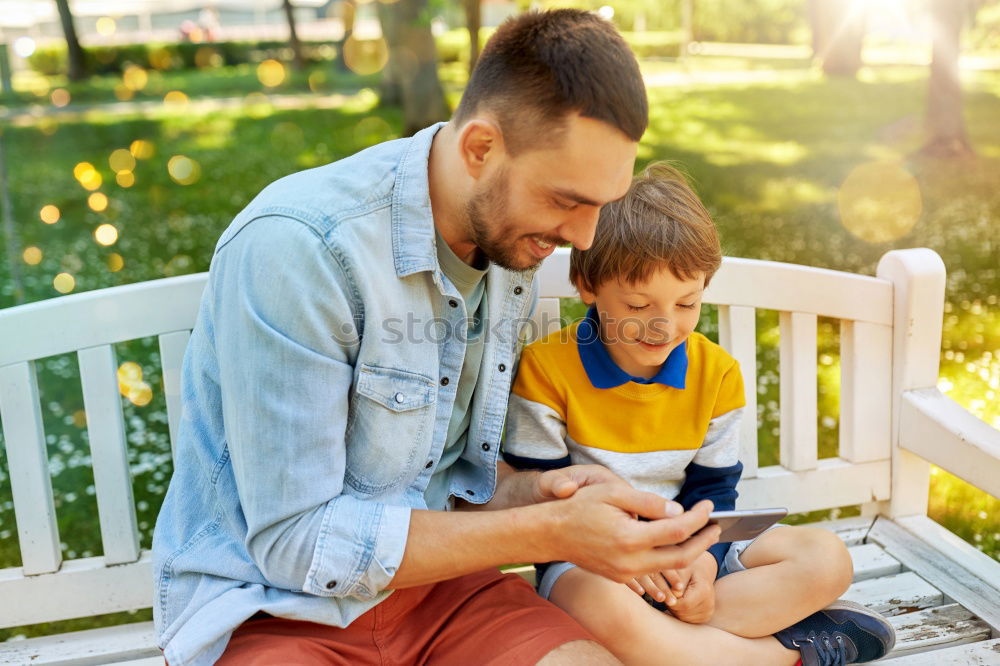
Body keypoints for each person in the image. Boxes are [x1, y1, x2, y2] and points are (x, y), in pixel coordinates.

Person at [152, 10, 723, 665]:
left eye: (602, 203)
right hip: (275, 612)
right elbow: (294, 541)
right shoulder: (301, 250)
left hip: (442, 594)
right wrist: (548, 529)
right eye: (569, 200)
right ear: (480, 149)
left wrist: (541, 495)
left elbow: (438, 485)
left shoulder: (511, 247)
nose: (585, 238)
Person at [502, 163, 897, 666]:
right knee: (599, 607)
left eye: (687, 303)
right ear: (588, 285)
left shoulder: (716, 374)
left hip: (693, 550)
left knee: (826, 559)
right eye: (639, 305)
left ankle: (666, 642)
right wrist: (622, 561)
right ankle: (788, 655)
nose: (664, 326)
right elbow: (546, 498)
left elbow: (712, 492)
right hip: (593, 562)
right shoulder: (546, 371)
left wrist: (703, 569)